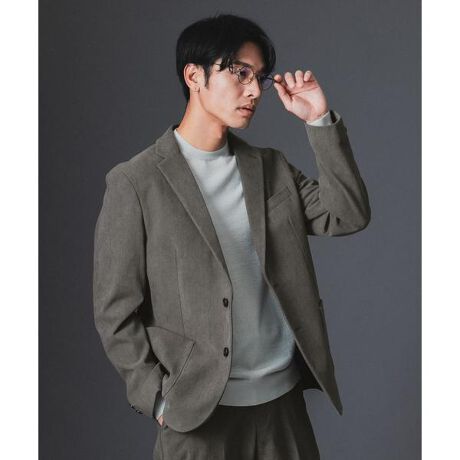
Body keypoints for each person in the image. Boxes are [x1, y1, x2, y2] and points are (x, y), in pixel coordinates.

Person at [93, 13, 371, 460]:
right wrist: (156, 398)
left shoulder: (271, 168)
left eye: (258, 77)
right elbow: (115, 312)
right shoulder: (136, 183)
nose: (254, 90)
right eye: (240, 73)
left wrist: (319, 119)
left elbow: (347, 214)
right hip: (199, 419)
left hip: (282, 409)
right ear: (194, 76)